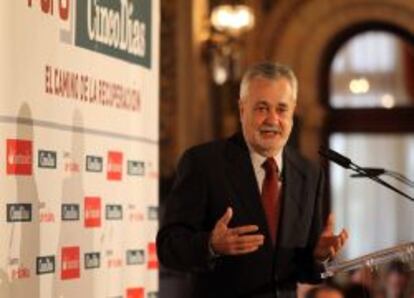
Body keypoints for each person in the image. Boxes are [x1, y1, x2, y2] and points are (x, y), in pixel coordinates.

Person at [156, 62, 348, 298]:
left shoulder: (308, 173)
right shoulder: (203, 163)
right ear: (241, 109)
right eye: (261, 108)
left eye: (281, 109)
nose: (272, 119)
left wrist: (318, 256)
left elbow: (304, 270)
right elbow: (168, 247)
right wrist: (210, 244)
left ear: (293, 112)